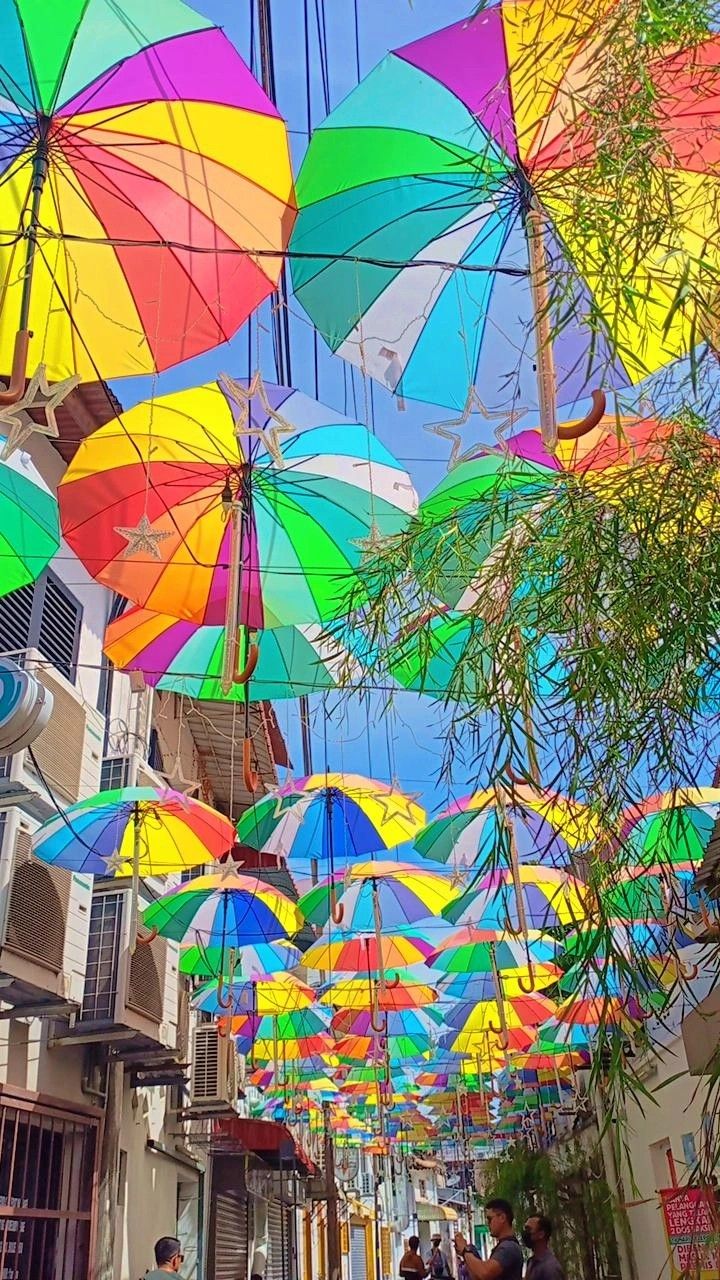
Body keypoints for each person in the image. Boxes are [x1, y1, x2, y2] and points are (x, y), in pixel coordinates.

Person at [455, 1198, 524, 1280]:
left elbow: (485, 1273)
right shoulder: (504, 1246)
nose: (488, 1224)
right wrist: (466, 1253)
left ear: (502, 1217)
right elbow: (478, 1276)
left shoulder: (509, 1247)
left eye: (490, 1219)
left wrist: (465, 1251)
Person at [522, 1215, 565, 1280]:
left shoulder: (550, 1268)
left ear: (541, 1234)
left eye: (528, 1229)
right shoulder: (531, 1262)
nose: (525, 1233)